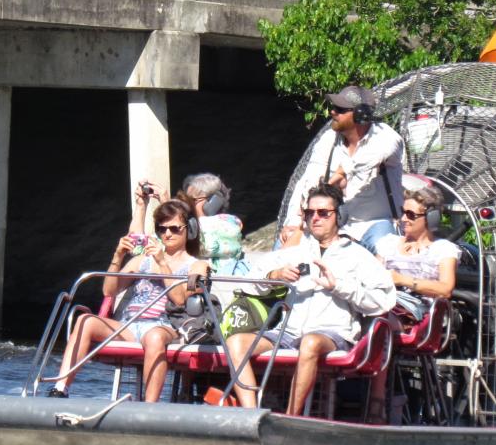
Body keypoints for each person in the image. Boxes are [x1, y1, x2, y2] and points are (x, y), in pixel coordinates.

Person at [227, 183, 396, 415]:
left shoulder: (358, 256)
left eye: (323, 213)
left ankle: (290, 417)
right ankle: (251, 414)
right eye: (309, 213)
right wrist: (274, 276)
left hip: (334, 333)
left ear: (339, 216)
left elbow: (384, 301)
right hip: (289, 332)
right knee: (236, 342)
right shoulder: (295, 253)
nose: (315, 218)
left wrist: (338, 286)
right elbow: (249, 282)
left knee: (310, 342)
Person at [50, 197, 208, 403]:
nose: (167, 234)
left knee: (154, 338)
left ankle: (148, 406)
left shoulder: (197, 266)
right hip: (130, 325)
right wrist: (118, 255)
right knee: (85, 321)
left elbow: (179, 299)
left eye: (175, 228)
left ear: (190, 230)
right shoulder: (141, 260)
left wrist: (162, 263)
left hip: (168, 325)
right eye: (162, 229)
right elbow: (109, 290)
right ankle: (60, 388)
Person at [280, 84, 405, 254]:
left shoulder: (386, 136)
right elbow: (308, 180)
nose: (333, 112)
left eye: (340, 109)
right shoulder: (329, 139)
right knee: (284, 247)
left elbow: (370, 157)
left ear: (361, 115)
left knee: (386, 251)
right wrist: (295, 221)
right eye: (334, 108)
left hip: (375, 223)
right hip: (334, 224)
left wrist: (338, 175)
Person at [375, 185, 459, 313]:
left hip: (419, 316)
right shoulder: (389, 243)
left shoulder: (443, 249)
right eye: (403, 212)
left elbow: (445, 289)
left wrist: (402, 280)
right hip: (384, 307)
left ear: (431, 217)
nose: (403, 219)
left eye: (410, 215)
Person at [177, 172, 247, 276]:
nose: (188, 205)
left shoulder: (230, 222)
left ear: (215, 201)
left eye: (193, 200)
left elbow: (207, 246)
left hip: (223, 286)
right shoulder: (194, 224)